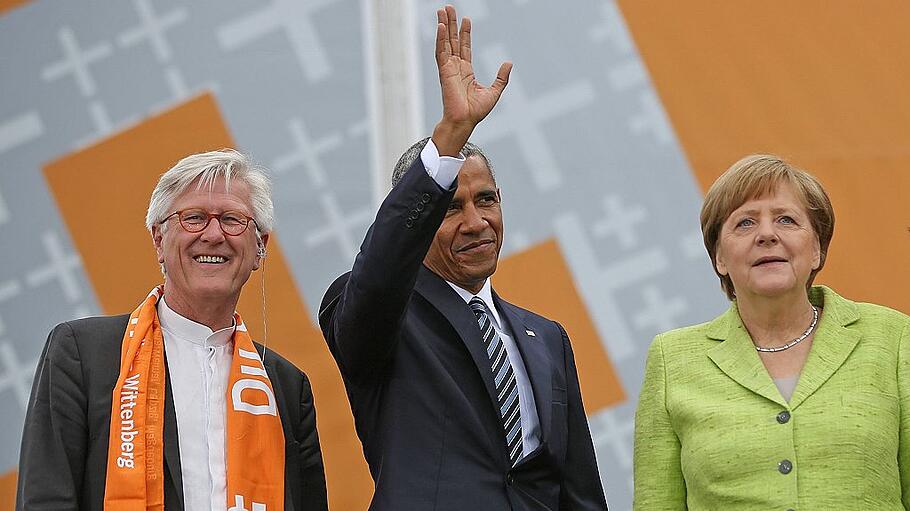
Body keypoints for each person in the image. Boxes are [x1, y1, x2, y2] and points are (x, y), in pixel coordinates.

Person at [318, 5, 607, 510]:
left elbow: (578, 488)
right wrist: (449, 137)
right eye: (450, 208)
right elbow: (382, 270)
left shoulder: (548, 338)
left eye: (487, 201)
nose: (476, 222)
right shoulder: (380, 314)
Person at [17, 150, 327, 511]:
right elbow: (46, 500)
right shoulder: (82, 354)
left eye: (232, 219)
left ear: (260, 248)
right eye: (193, 218)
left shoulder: (286, 386)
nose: (214, 235)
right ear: (158, 240)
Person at [633, 154, 910, 510]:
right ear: (719, 257)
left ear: (816, 249)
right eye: (745, 223)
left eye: (786, 220)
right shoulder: (672, 358)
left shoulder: (893, 337)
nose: (767, 234)